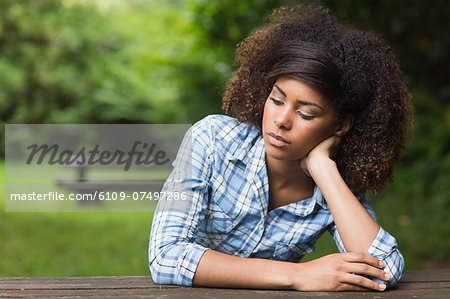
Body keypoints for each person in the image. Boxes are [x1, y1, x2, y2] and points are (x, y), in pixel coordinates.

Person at [148, 4, 413, 292]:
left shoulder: (333, 189)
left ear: (340, 126)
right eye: (276, 99)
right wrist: (297, 275)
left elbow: (383, 271)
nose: (281, 120)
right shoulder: (211, 140)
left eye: (306, 114)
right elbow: (166, 255)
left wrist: (323, 170)